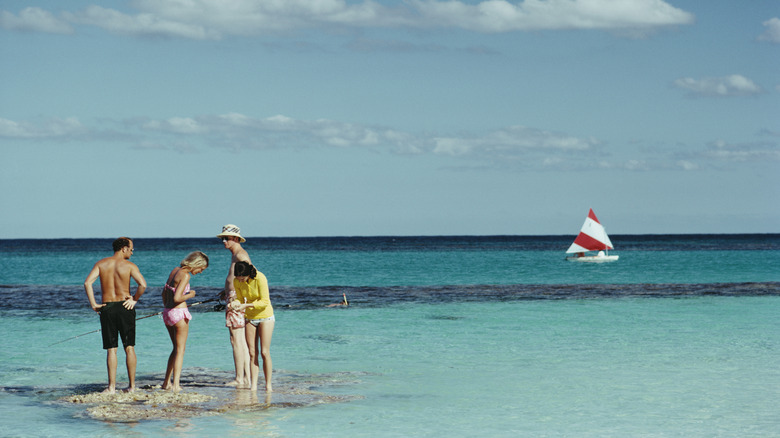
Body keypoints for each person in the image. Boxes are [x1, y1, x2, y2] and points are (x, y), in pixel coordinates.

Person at [84, 237, 147, 394]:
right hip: (125, 307)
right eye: (131, 249)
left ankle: (111, 387)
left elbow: (87, 283)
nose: (132, 252)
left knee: (111, 349)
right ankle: (132, 386)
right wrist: (134, 300)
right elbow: (143, 285)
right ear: (124, 248)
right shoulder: (129, 265)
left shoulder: (101, 264)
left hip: (107, 307)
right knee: (129, 347)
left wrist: (93, 304)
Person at [160, 251, 208, 392]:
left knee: (175, 349)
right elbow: (177, 298)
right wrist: (191, 295)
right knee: (180, 350)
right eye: (201, 269)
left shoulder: (175, 270)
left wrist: (167, 308)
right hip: (179, 314)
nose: (200, 272)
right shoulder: (185, 276)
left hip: (167, 313)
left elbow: (164, 293)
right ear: (196, 264)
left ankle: (166, 382)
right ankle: (175, 385)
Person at [230, 261, 275, 392]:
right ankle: (253, 386)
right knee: (252, 353)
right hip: (250, 317)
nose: (240, 281)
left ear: (248, 274)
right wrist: (235, 303)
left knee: (264, 352)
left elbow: (264, 302)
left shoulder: (260, 278)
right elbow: (239, 298)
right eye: (238, 279)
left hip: (265, 316)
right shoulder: (237, 281)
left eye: (242, 278)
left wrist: (245, 306)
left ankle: (268, 385)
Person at [217, 224, 251, 388]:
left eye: (227, 238)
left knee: (236, 339)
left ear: (236, 239)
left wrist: (237, 297)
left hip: (236, 301)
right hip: (233, 298)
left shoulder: (240, 255)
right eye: (223, 238)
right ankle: (244, 377)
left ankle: (240, 378)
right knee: (239, 339)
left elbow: (250, 275)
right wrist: (226, 291)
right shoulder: (235, 255)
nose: (224, 241)